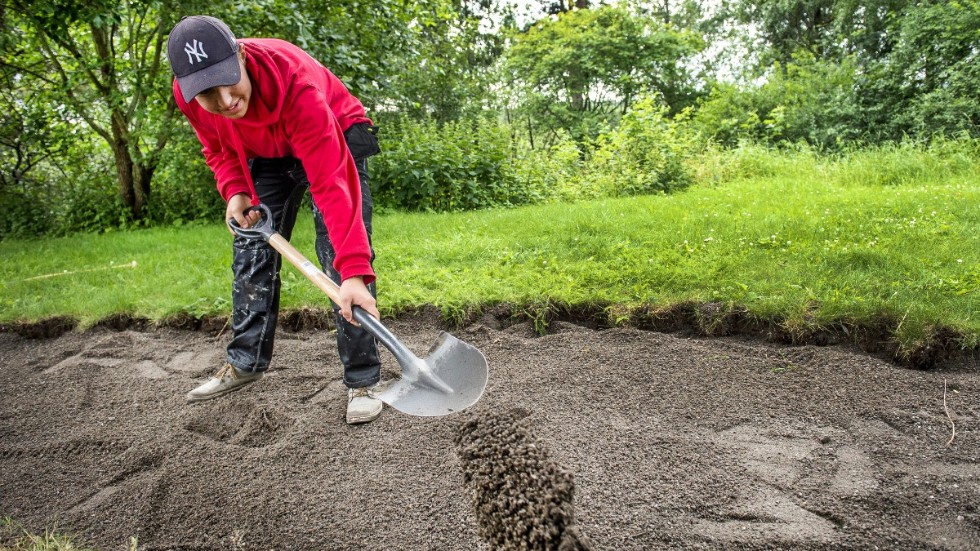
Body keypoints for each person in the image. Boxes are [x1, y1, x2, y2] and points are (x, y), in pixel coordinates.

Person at [166, 15, 384, 424]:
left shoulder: (295, 86)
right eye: (207, 93)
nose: (225, 100)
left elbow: (332, 184)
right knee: (251, 249)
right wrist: (235, 190)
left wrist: (354, 270)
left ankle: (362, 380)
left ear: (242, 56)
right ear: (188, 88)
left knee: (339, 259)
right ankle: (246, 362)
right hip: (266, 151)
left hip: (334, 131)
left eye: (228, 80)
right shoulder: (190, 96)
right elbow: (218, 147)